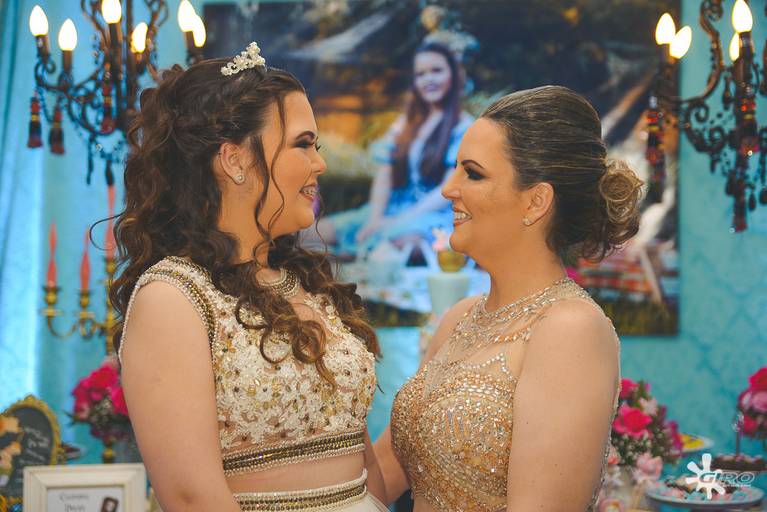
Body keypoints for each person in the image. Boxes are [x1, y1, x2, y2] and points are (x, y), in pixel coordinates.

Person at [111, 43, 387, 512]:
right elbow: (191, 497)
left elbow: (361, 461)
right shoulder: (173, 297)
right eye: (302, 144)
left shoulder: (307, 284)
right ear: (234, 159)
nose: (319, 163)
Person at [374, 85, 644, 511]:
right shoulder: (458, 319)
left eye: (473, 174)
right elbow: (382, 476)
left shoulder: (570, 329)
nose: (449, 189)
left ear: (536, 202)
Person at [312, 42, 473, 256]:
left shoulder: (463, 126)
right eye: (421, 74)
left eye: (436, 71)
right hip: (391, 209)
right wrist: (375, 219)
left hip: (429, 215)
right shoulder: (404, 124)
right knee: (313, 233)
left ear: (453, 74)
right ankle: (349, 253)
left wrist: (400, 220)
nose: (429, 79)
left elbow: (447, 188)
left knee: (406, 244)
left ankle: (351, 256)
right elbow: (385, 174)